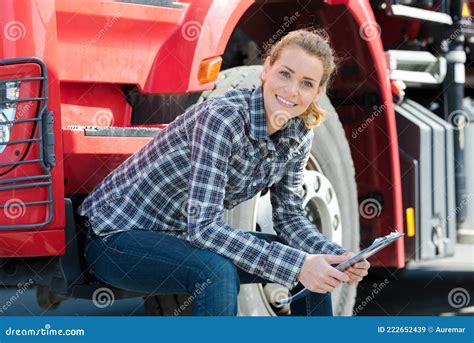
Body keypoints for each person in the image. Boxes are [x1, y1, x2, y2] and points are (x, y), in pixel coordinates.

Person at [78, 28, 370, 316]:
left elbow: (290, 216)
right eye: (285, 74)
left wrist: (336, 255)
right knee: (217, 272)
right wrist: (297, 264)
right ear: (266, 68)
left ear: (318, 92)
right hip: (115, 238)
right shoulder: (223, 119)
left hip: (179, 239)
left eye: (307, 84)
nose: (292, 90)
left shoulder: (300, 131)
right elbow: (204, 228)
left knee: (315, 262)